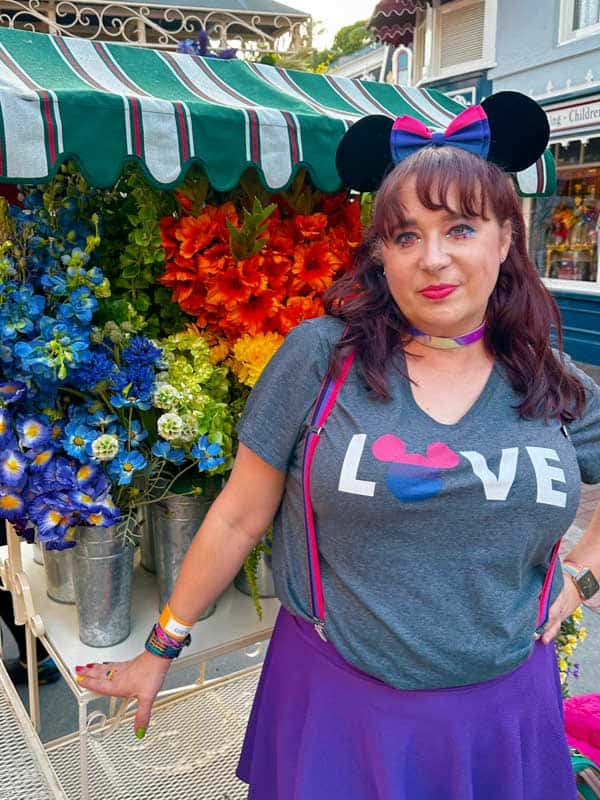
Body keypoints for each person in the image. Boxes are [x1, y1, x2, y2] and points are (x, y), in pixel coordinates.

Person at [74, 92, 600, 799]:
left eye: (462, 229)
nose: (433, 260)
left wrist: (580, 581)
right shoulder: (324, 358)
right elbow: (237, 514)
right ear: (380, 254)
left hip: (500, 717)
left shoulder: (551, 379)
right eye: (406, 236)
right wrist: (162, 645)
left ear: (507, 240)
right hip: (339, 705)